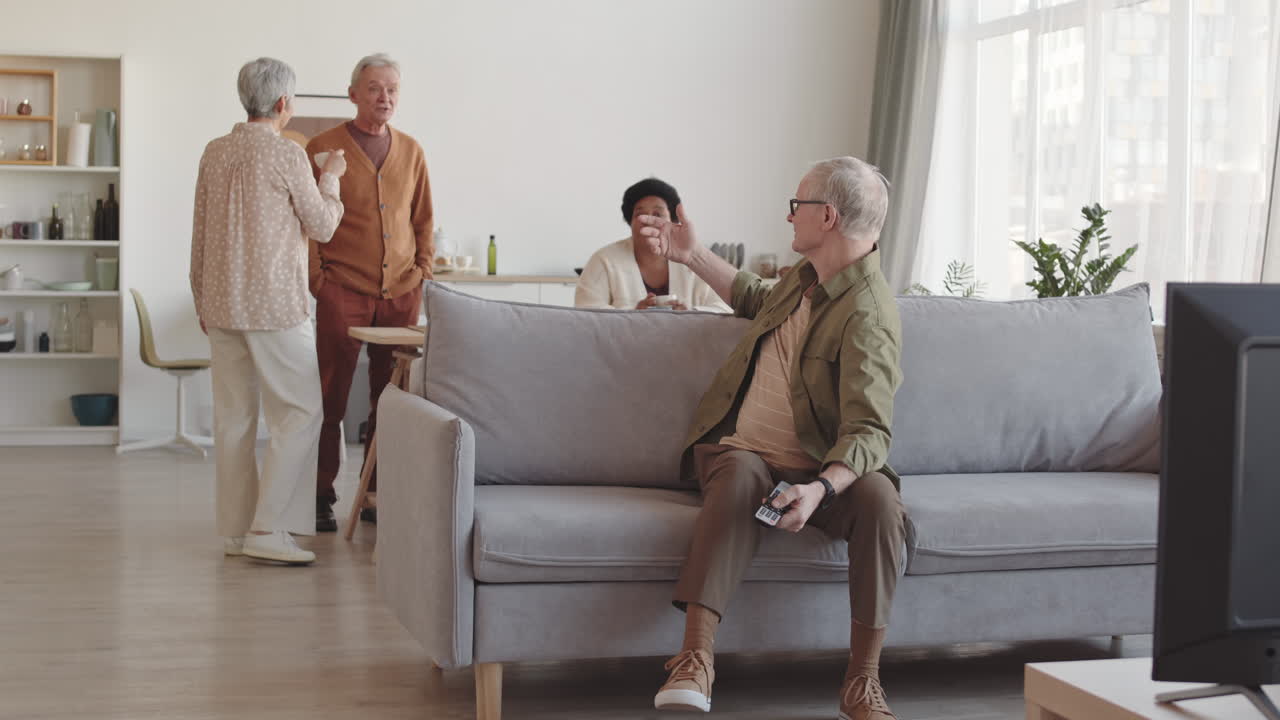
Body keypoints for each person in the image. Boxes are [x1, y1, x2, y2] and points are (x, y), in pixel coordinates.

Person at [637, 156, 908, 720]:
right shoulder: (805, 280)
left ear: (828, 216)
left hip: (818, 472)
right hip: (747, 456)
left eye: (797, 206)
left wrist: (821, 492)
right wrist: (691, 254)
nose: (789, 218)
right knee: (738, 471)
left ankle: (863, 680)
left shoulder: (869, 314)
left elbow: (868, 430)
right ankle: (694, 658)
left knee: (882, 499)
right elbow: (755, 298)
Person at [190, 57, 346, 564]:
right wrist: (333, 178)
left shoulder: (214, 152)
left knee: (234, 420)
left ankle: (238, 532)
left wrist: (201, 298)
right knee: (300, 413)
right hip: (276, 307)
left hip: (221, 305)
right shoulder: (287, 156)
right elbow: (322, 226)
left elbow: (199, 234)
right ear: (284, 104)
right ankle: (268, 528)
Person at [306, 53, 434, 532]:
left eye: (393, 89)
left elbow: (422, 217)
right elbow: (307, 223)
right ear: (354, 93)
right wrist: (318, 280)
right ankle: (320, 492)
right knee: (330, 394)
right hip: (343, 288)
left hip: (401, 289)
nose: (386, 97)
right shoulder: (322, 147)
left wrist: (422, 268)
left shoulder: (413, 151)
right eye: (376, 88)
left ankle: (374, 491)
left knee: (393, 396)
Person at [575, 178, 730, 312]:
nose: (648, 220)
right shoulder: (604, 260)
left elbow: (726, 308)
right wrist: (632, 316)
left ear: (673, 221)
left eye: (658, 214)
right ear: (630, 222)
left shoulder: (693, 260)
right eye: (640, 214)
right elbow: (585, 311)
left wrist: (690, 315)